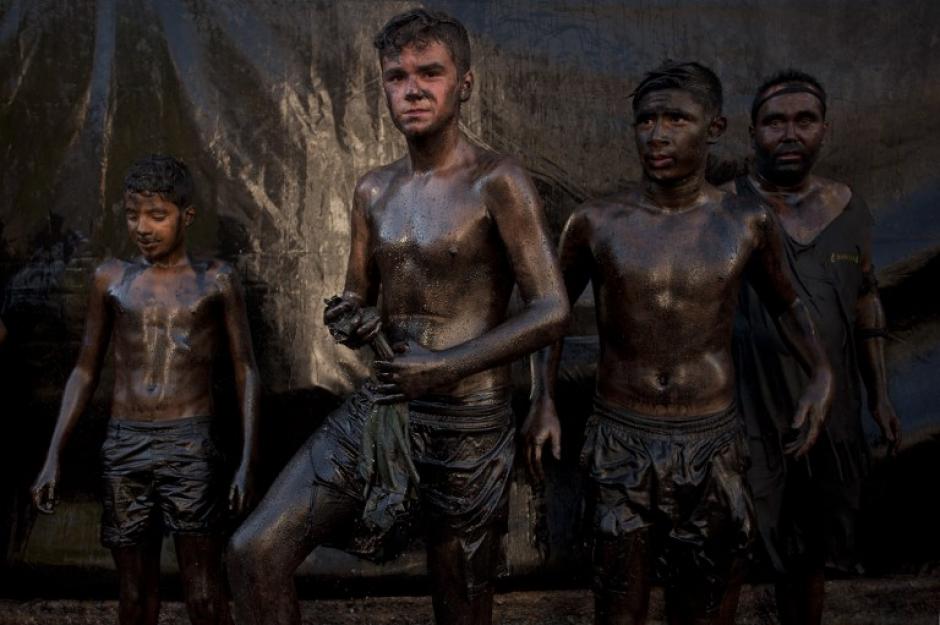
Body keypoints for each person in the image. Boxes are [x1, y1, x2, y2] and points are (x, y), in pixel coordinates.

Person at [226, 9, 569, 625]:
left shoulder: (498, 180)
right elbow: (357, 297)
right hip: (384, 409)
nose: (412, 88)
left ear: (464, 83)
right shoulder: (373, 190)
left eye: (429, 72)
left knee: (459, 603)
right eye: (396, 75)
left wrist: (445, 366)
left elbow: (552, 310)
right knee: (254, 552)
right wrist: (350, 318)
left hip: (468, 420)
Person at [522, 61, 833, 625]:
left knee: (707, 608)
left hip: (710, 440)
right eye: (646, 120)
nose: (657, 135)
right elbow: (551, 318)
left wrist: (821, 372)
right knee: (619, 608)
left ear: (713, 128)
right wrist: (541, 399)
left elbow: (789, 305)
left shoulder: (745, 223)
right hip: (622, 438)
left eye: (675, 119)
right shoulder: (596, 222)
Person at [31, 155, 260, 625]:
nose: (142, 226)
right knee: (134, 596)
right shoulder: (111, 279)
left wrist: (246, 463)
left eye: (157, 215)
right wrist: (54, 452)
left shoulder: (214, 280)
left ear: (186, 216)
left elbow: (246, 370)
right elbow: (84, 371)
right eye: (133, 213)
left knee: (204, 594)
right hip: (125, 444)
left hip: (190, 444)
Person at [730, 70, 901, 625]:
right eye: (774, 122)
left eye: (804, 120)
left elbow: (866, 299)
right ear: (752, 132)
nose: (789, 133)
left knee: (811, 554)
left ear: (825, 128)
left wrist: (880, 395)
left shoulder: (849, 207)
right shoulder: (726, 208)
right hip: (748, 408)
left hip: (832, 409)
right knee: (733, 543)